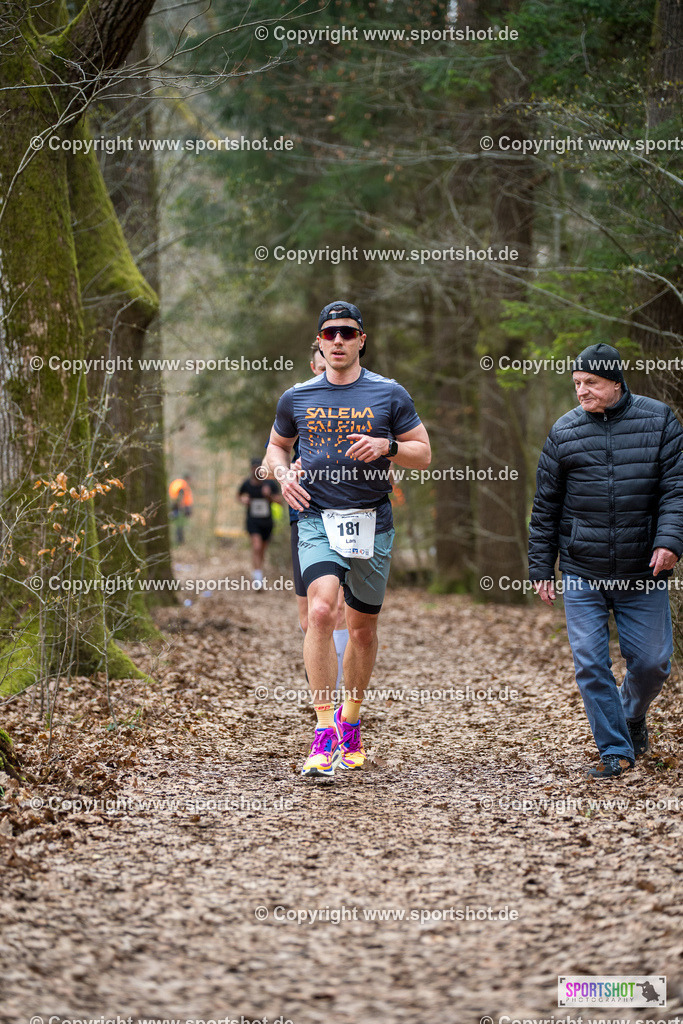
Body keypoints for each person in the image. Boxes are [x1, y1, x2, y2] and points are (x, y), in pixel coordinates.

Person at [267, 300, 431, 780]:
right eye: (329, 333)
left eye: (346, 332)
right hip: (315, 516)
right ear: (319, 342)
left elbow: (423, 453)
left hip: (371, 521)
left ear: (362, 340)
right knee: (321, 611)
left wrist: (388, 446)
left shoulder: (389, 394)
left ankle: (351, 721)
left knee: (361, 631)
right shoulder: (296, 397)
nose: (337, 340)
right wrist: (282, 475)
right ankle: (323, 733)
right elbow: (276, 447)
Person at [529, 343, 683, 779]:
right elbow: (546, 507)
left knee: (653, 664)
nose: (582, 391)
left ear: (616, 382)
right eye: (577, 383)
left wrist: (670, 541)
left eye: (591, 383)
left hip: (643, 569)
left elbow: (676, 490)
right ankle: (615, 750)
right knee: (591, 664)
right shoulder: (564, 431)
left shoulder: (659, 421)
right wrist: (541, 567)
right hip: (583, 570)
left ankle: (631, 713)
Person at [237, 459, 282, 588]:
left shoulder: (270, 483)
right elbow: (238, 496)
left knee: (262, 549)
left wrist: (269, 496)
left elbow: (279, 500)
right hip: (252, 521)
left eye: (258, 468)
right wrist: (243, 499)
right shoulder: (247, 484)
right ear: (251, 469)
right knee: (256, 547)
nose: (256, 471)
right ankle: (257, 579)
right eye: (254, 468)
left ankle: (258, 571)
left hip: (267, 522)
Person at [168, 474, 193, 544]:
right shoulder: (183, 486)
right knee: (179, 524)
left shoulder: (180, 484)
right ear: (187, 479)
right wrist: (182, 508)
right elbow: (180, 497)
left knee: (179, 524)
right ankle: (180, 541)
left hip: (175, 506)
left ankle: (180, 540)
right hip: (179, 508)